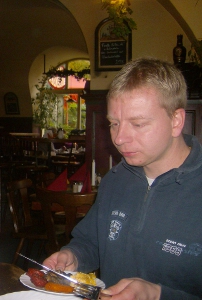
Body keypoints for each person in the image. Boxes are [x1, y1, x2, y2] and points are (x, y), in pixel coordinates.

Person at [43, 57, 202, 299]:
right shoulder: (115, 180)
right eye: (114, 123)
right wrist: (73, 256)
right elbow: (92, 243)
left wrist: (157, 295)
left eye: (137, 124)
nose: (119, 138)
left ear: (176, 121)